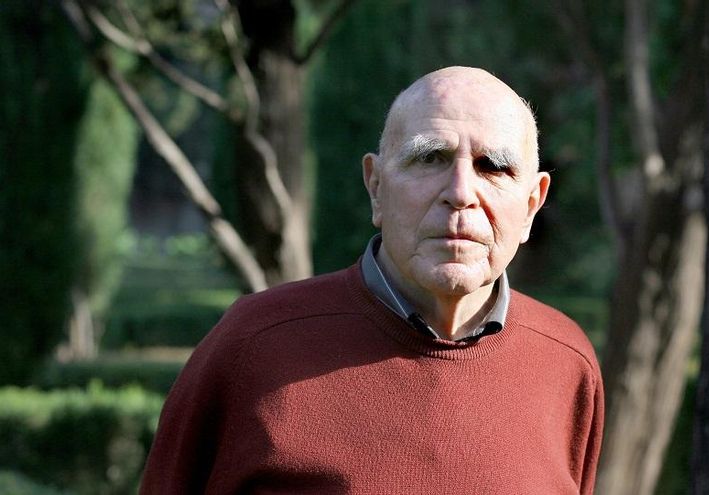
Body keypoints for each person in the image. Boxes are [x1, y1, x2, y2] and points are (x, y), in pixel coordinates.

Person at [140, 66, 604, 494]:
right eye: (431, 158)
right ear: (376, 186)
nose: (461, 192)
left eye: (493, 167)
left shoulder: (566, 363)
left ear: (531, 204)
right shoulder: (254, 344)